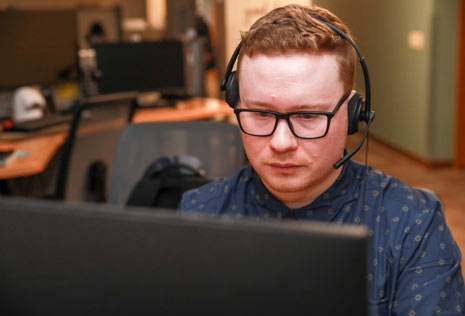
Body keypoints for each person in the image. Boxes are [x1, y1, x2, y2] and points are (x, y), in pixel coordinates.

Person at [180, 4, 465, 315]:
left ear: (354, 114)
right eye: (260, 113)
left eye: (308, 115)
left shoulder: (413, 223)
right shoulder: (196, 212)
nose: (281, 142)